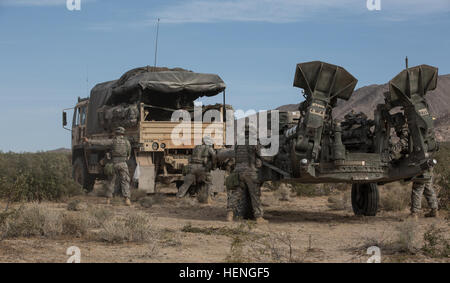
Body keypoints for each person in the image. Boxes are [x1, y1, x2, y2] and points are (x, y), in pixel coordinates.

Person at [226, 126, 267, 224]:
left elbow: (235, 155)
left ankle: (230, 214)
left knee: (236, 193)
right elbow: (262, 154)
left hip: (238, 172)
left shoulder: (238, 143)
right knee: (254, 195)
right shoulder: (254, 142)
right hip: (250, 171)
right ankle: (259, 217)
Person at [84, 127, 132, 206]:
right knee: (125, 181)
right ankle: (127, 200)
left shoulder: (112, 141)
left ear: (116, 133)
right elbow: (128, 155)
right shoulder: (127, 143)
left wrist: (88, 141)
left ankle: (108, 200)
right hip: (123, 164)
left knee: (111, 181)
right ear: (123, 133)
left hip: (113, 164)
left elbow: (101, 143)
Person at [177, 136, 217, 203]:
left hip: (192, 167)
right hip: (202, 168)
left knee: (186, 184)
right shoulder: (209, 148)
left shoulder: (196, 147)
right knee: (208, 183)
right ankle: (210, 198)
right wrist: (213, 165)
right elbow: (214, 157)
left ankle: (179, 197)